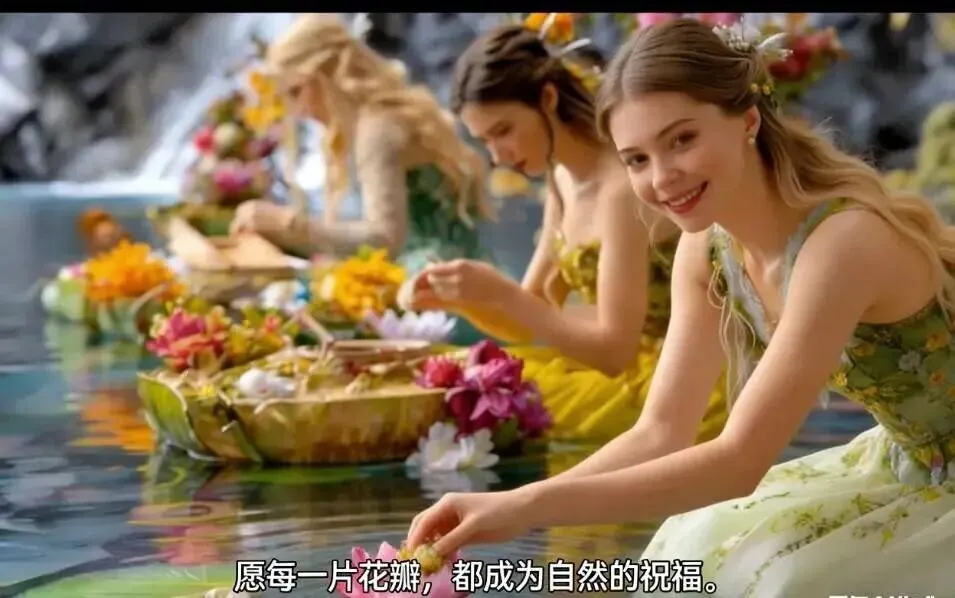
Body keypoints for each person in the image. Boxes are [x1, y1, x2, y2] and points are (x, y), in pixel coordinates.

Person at [405, 19, 955, 597]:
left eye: (682, 140)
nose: (663, 178)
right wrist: (514, 501)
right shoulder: (708, 248)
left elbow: (739, 462)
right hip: (910, 463)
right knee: (690, 546)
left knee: (782, 580)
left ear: (748, 121)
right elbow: (661, 431)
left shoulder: (842, 243)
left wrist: (530, 507)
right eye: (636, 159)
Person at [405, 17, 728, 444]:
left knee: (478, 396)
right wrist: (464, 297)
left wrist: (501, 293)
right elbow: (533, 311)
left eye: (503, 131)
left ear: (548, 98)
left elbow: (614, 352)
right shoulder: (562, 178)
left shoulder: (621, 189)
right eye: (484, 141)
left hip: (677, 377)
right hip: (621, 371)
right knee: (450, 373)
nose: (498, 157)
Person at [226, 15, 503, 344]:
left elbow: (385, 238)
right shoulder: (365, 124)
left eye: (297, 91)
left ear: (326, 76)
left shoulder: (376, 130)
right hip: (461, 284)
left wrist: (288, 225)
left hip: (437, 300)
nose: (298, 111)